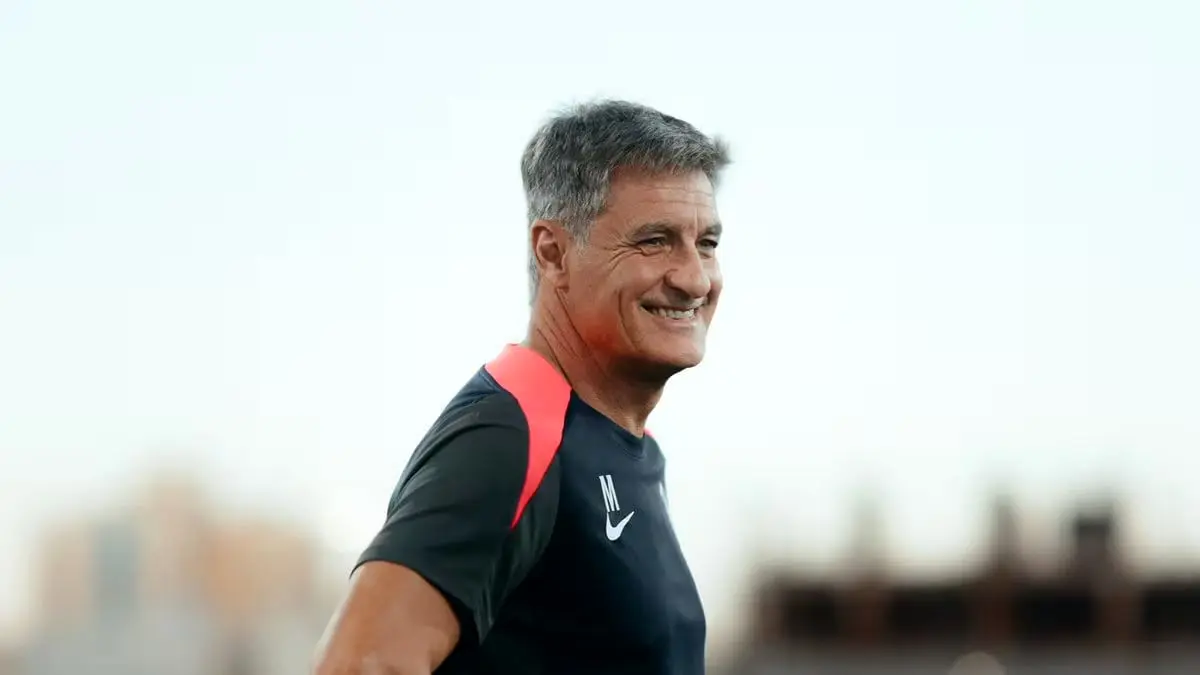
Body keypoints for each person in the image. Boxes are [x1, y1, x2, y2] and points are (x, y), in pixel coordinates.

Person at [312, 99, 731, 675]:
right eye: (654, 241)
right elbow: (359, 665)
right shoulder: (512, 435)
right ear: (552, 253)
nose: (694, 278)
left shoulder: (626, 447)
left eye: (706, 243)